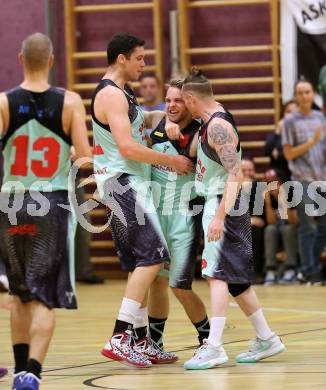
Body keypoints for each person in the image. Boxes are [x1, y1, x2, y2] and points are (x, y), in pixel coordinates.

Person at [167, 68, 285, 370]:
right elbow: (197, 147)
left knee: (216, 275)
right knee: (235, 281)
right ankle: (266, 337)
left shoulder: (218, 128)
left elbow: (235, 173)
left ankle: (215, 345)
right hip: (221, 202)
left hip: (223, 203)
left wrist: (219, 217)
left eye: (184, 100)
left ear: (192, 99)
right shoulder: (212, 117)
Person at [92, 33, 193, 368]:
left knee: (147, 260)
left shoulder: (124, 93)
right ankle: (120, 336)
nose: (144, 63)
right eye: (140, 58)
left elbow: (138, 124)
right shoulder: (110, 94)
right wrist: (172, 161)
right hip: (121, 182)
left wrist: (161, 118)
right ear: (121, 58)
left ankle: (139, 340)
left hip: (131, 182)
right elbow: (128, 148)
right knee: (153, 256)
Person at [0, 33, 92, 389]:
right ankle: (32, 373)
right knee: (44, 295)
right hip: (49, 204)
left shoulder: (4, 102)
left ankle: (20, 368)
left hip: (11, 203)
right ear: (52, 60)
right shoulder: (69, 102)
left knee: (20, 292)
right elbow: (84, 161)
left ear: (21, 58)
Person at [147, 80, 209, 348]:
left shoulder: (200, 132)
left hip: (184, 217)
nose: (171, 105)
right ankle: (155, 343)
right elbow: (137, 115)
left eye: (178, 100)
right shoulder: (159, 121)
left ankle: (208, 339)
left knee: (180, 286)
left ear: (190, 101)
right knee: (157, 283)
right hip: (156, 214)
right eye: (168, 100)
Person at [283, 78, 326, 284]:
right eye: (300, 93)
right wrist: (311, 142)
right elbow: (289, 154)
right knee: (308, 226)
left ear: (313, 94)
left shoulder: (320, 117)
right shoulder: (290, 121)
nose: (304, 96)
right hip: (301, 180)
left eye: (307, 92)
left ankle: (312, 266)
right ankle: (310, 270)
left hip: (322, 179)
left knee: (323, 227)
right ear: (296, 96)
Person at [263, 170, 298, 285]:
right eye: (269, 184)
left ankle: (291, 268)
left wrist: (282, 200)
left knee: (287, 229)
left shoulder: (291, 193)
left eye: (275, 183)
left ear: (281, 184)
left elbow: (293, 222)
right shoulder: (266, 198)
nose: (273, 187)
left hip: (291, 230)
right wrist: (268, 203)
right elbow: (271, 222)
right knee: (270, 229)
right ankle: (271, 269)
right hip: (277, 230)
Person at [241, 159, 266, 282]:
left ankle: (255, 272)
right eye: (244, 170)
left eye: (250, 170)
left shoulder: (259, 188)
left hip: (256, 226)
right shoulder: (230, 187)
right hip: (234, 224)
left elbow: (261, 217)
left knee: (256, 229)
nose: (247, 173)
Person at [264, 100, 297, 183]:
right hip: (280, 177)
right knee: (270, 175)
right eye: (288, 112)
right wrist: (278, 131)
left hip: (299, 175)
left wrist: (278, 155)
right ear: (283, 115)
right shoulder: (278, 135)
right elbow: (267, 151)